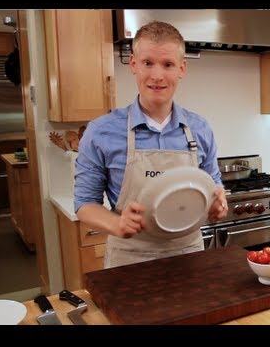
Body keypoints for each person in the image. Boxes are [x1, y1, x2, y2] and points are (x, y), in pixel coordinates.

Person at [74, 20, 228, 268]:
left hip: (189, 256)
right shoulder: (100, 131)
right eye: (148, 63)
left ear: (182, 68)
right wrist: (116, 224)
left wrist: (219, 203)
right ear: (134, 64)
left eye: (168, 64)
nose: (157, 76)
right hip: (129, 260)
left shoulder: (201, 129)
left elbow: (214, 184)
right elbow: (84, 204)